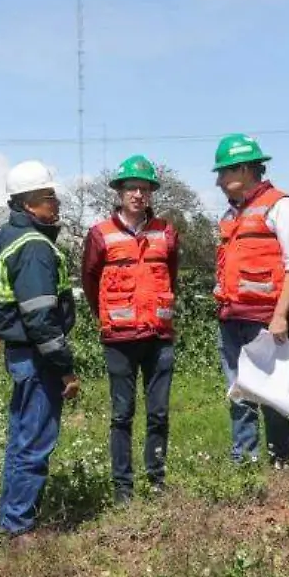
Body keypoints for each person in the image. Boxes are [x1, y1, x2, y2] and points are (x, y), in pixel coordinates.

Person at [0, 160, 79, 543]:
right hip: (37, 356)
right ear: (28, 204)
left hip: (21, 354)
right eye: (47, 198)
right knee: (36, 441)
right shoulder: (35, 248)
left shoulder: (5, 237)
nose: (55, 204)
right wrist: (66, 369)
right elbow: (42, 320)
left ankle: (11, 518)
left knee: (21, 438)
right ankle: (19, 528)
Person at [211, 134, 289, 468]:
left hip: (266, 320)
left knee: (273, 393)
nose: (218, 181)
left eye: (223, 173)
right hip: (231, 318)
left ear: (243, 169)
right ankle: (245, 460)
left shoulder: (282, 206)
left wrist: (281, 315)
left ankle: (281, 460)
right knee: (239, 393)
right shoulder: (229, 216)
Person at [80, 154, 177, 502]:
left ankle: (156, 481)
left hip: (159, 337)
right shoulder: (100, 235)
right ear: (119, 192)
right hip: (119, 339)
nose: (138, 194)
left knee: (159, 413)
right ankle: (123, 488)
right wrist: (108, 314)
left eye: (144, 188)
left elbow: (171, 276)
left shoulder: (166, 232)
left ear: (151, 193)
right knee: (122, 414)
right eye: (131, 188)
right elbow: (90, 282)